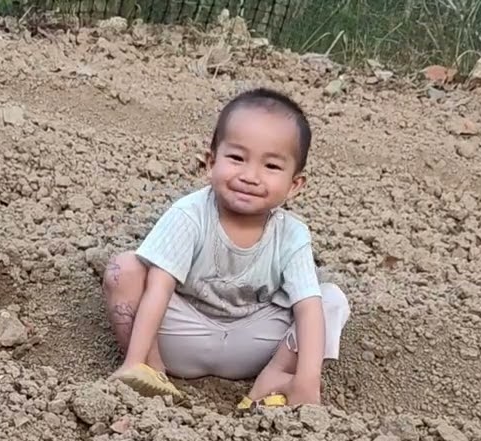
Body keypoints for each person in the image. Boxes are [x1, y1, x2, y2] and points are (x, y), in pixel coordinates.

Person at [101, 87, 350, 409]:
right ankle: (150, 372)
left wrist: (308, 379)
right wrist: (136, 360)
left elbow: (307, 307)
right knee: (126, 269)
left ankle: (274, 382)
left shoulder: (292, 233)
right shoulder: (189, 214)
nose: (250, 176)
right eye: (236, 158)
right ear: (210, 162)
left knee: (329, 299)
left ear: (294, 185)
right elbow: (160, 288)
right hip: (182, 335)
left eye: (271, 166)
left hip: (255, 345)